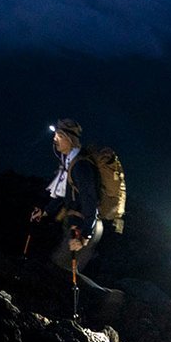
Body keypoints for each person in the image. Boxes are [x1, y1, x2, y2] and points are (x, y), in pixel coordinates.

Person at [28, 118, 116, 313]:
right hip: (76, 224)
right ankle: (91, 302)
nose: (55, 140)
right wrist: (44, 212)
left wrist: (85, 234)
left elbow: (90, 201)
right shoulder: (69, 165)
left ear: (70, 139)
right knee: (62, 269)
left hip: (85, 225)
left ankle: (105, 298)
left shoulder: (81, 166)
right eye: (55, 136)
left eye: (60, 136)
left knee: (61, 268)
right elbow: (62, 196)